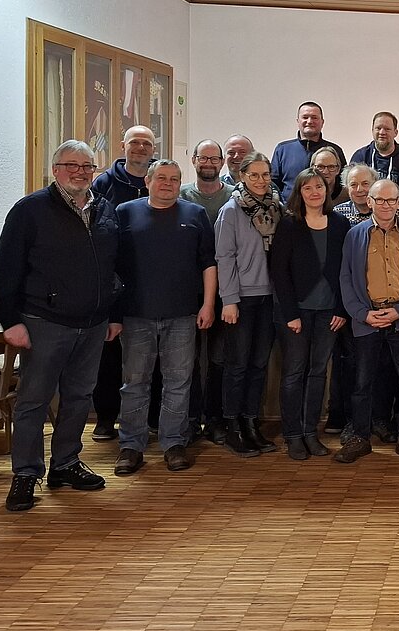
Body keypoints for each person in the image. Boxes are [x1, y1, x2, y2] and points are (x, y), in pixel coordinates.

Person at [0, 140, 120, 512]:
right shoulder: (30, 210)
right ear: (55, 169)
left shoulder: (105, 209)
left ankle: (65, 463)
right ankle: (26, 473)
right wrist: (10, 321)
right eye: (71, 165)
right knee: (33, 400)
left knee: (79, 397)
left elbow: (113, 266)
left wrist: (113, 313)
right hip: (44, 322)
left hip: (93, 323)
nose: (80, 172)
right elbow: (3, 270)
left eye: (87, 166)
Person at [113, 160, 217, 476]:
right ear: (148, 181)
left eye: (174, 179)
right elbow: (112, 266)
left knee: (179, 382)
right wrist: (113, 313)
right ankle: (131, 446)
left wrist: (208, 304)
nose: (168, 184)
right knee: (135, 383)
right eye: (161, 178)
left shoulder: (195, 214)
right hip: (136, 314)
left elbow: (208, 264)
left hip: (182, 314)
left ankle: (174, 443)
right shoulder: (124, 213)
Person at [336, 179, 399, 464]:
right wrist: (362, 314)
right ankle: (360, 437)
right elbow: (346, 278)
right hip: (367, 319)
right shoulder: (354, 235)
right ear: (370, 202)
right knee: (362, 382)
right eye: (380, 200)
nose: (386, 205)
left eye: (391, 200)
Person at [270, 168, 351, 460]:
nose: (315, 192)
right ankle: (293, 435)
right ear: (299, 193)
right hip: (296, 313)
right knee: (294, 372)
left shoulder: (340, 224)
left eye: (319, 186)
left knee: (318, 373)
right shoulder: (289, 224)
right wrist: (290, 313)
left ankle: (309, 433)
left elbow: (347, 270)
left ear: (327, 190)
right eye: (308, 188)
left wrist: (341, 308)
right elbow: (279, 272)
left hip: (329, 312)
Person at [89, 124, 155, 441]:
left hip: (149, 283)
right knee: (109, 354)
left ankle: (152, 417)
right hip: (113, 281)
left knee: (151, 357)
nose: (140, 148)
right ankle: (105, 417)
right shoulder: (103, 183)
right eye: (135, 142)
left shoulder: (159, 179)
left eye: (147, 143)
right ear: (123, 146)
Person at [214, 152, 282, 458]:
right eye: (254, 175)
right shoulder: (231, 210)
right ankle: (233, 427)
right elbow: (224, 257)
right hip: (241, 298)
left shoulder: (277, 207)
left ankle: (251, 422)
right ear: (242, 176)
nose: (260, 180)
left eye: (265, 174)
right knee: (237, 365)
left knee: (258, 365)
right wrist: (229, 300)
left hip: (270, 297)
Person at [179, 139, 231, 444]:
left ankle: (215, 420)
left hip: (226, 291)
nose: (209, 163)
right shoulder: (181, 195)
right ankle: (188, 420)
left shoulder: (233, 196)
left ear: (222, 162)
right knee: (186, 361)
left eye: (214, 158)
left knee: (218, 359)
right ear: (194, 160)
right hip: (187, 290)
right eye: (203, 158)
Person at [270, 101, 347, 202]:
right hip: (289, 209)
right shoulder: (282, 150)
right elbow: (273, 185)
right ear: (298, 121)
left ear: (322, 122)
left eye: (314, 118)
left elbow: (343, 183)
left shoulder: (335, 150)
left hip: (326, 208)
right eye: (305, 117)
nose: (309, 121)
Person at [350, 111, 399, 186]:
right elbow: (352, 187)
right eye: (378, 128)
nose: (382, 132)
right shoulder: (360, 156)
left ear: (395, 132)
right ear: (372, 131)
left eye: (387, 129)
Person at [310, 145, 347, 210]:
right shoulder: (305, 194)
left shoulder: (347, 195)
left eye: (331, 167)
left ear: (338, 169)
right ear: (312, 168)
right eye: (320, 167)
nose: (325, 172)